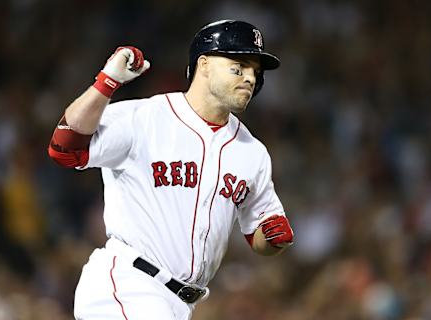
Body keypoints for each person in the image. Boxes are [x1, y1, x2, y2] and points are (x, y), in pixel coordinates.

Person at [48, 19, 294, 320]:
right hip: (128, 283)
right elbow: (65, 148)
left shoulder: (252, 153)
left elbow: (259, 234)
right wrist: (106, 83)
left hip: (181, 304)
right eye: (238, 66)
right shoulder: (146, 117)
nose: (250, 78)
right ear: (203, 65)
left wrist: (273, 238)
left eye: (255, 71)